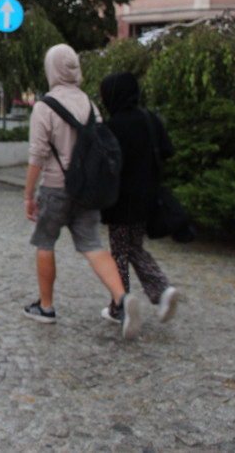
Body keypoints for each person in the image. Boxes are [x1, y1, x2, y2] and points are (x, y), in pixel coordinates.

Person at [22, 43, 142, 340]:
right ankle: (122, 299)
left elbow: (37, 155)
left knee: (46, 242)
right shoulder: (91, 105)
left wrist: (28, 195)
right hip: (87, 189)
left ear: (51, 69)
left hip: (55, 187)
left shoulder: (44, 107)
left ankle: (46, 307)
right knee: (92, 245)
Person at [99, 72, 179, 324]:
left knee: (120, 252)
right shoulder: (149, 118)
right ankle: (161, 290)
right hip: (148, 196)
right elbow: (167, 150)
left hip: (121, 200)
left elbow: (104, 165)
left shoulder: (113, 126)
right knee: (133, 247)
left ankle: (120, 303)